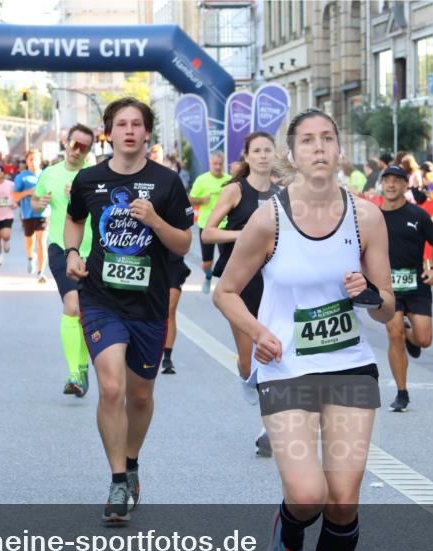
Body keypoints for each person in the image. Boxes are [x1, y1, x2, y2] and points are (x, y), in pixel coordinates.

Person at [213, 109, 394, 551]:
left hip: (348, 366)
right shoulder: (269, 219)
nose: (319, 148)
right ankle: (287, 538)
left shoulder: (367, 217)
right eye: (308, 141)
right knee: (309, 495)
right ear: (294, 154)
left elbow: (387, 311)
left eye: (328, 138)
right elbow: (225, 291)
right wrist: (257, 331)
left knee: (342, 501)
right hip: (287, 367)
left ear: (340, 150)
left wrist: (368, 293)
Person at [64, 98, 193, 524]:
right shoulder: (89, 179)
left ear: (147, 132)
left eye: (137, 124)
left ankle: (132, 461)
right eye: (122, 124)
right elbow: (74, 220)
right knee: (112, 389)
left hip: (149, 304)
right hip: (101, 299)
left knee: (140, 395)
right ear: (110, 132)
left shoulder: (167, 182)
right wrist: (70, 251)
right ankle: (117, 479)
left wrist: (155, 220)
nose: (130, 131)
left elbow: (183, 244)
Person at [201, 131, 279, 454]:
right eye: (256, 151)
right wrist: (243, 237)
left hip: (274, 279)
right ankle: (245, 372)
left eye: (267, 150)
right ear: (246, 157)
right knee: (250, 361)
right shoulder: (235, 190)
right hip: (240, 282)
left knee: (274, 351)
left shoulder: (284, 193)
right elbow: (207, 233)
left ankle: (269, 427)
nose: (262, 156)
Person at [32, 124, 97, 397]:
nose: (76, 151)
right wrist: (41, 201)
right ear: (66, 143)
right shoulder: (50, 173)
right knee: (72, 305)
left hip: (92, 250)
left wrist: (83, 197)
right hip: (61, 246)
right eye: (74, 144)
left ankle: (82, 368)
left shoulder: (94, 177)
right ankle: (74, 373)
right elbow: (35, 203)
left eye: (83, 147)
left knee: (85, 311)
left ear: (89, 151)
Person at [379, 165, 433, 412]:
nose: (392, 185)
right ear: (382, 185)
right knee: (393, 334)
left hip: (417, 286)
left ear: (406, 185)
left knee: (424, 340)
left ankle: (410, 336)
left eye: (397, 180)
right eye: (387, 180)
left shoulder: (417, 215)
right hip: (387, 288)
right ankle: (401, 393)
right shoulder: (373, 217)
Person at [188, 152, 231, 294]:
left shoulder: (230, 180)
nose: (218, 166)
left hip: (225, 225)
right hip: (206, 226)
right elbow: (190, 199)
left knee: (227, 260)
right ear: (210, 164)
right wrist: (201, 200)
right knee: (207, 262)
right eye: (215, 164)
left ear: (223, 164)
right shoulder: (202, 180)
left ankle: (225, 287)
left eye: (220, 164)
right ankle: (208, 276)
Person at [14, 149, 50, 281]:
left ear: (40, 160)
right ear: (27, 161)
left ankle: (41, 272)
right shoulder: (21, 177)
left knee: (41, 242)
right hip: (27, 214)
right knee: (30, 241)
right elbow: (14, 196)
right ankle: (30, 257)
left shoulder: (46, 175)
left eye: (36, 159)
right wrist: (28, 192)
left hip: (43, 212)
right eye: (31, 159)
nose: (33, 162)